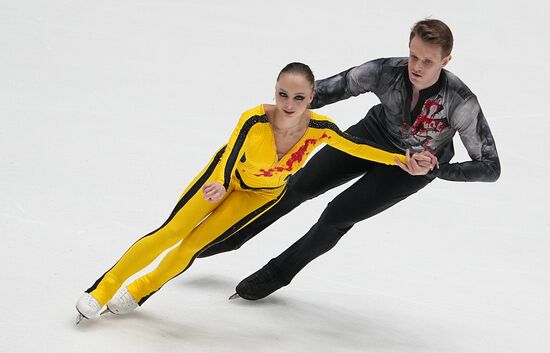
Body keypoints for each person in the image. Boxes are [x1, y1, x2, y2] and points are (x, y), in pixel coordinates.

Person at [75, 62, 435, 323]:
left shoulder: (322, 128)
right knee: (172, 232)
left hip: (261, 195)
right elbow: (231, 154)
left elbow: (356, 147)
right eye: (282, 94)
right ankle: (101, 291)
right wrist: (221, 183)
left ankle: (141, 290)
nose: (289, 103)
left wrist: (399, 159)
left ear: (312, 97)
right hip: (223, 181)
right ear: (274, 91)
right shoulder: (254, 119)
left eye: (298, 97)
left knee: (192, 246)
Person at [193, 19, 501, 301]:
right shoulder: (385, 71)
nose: (417, 66)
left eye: (428, 61)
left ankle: (276, 273)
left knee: (336, 215)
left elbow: (490, 167)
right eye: (413, 56)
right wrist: (282, 109)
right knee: (299, 184)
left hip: (411, 168)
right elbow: (326, 90)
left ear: (446, 61)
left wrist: (437, 168)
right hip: (372, 136)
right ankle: (232, 235)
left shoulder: (460, 101)